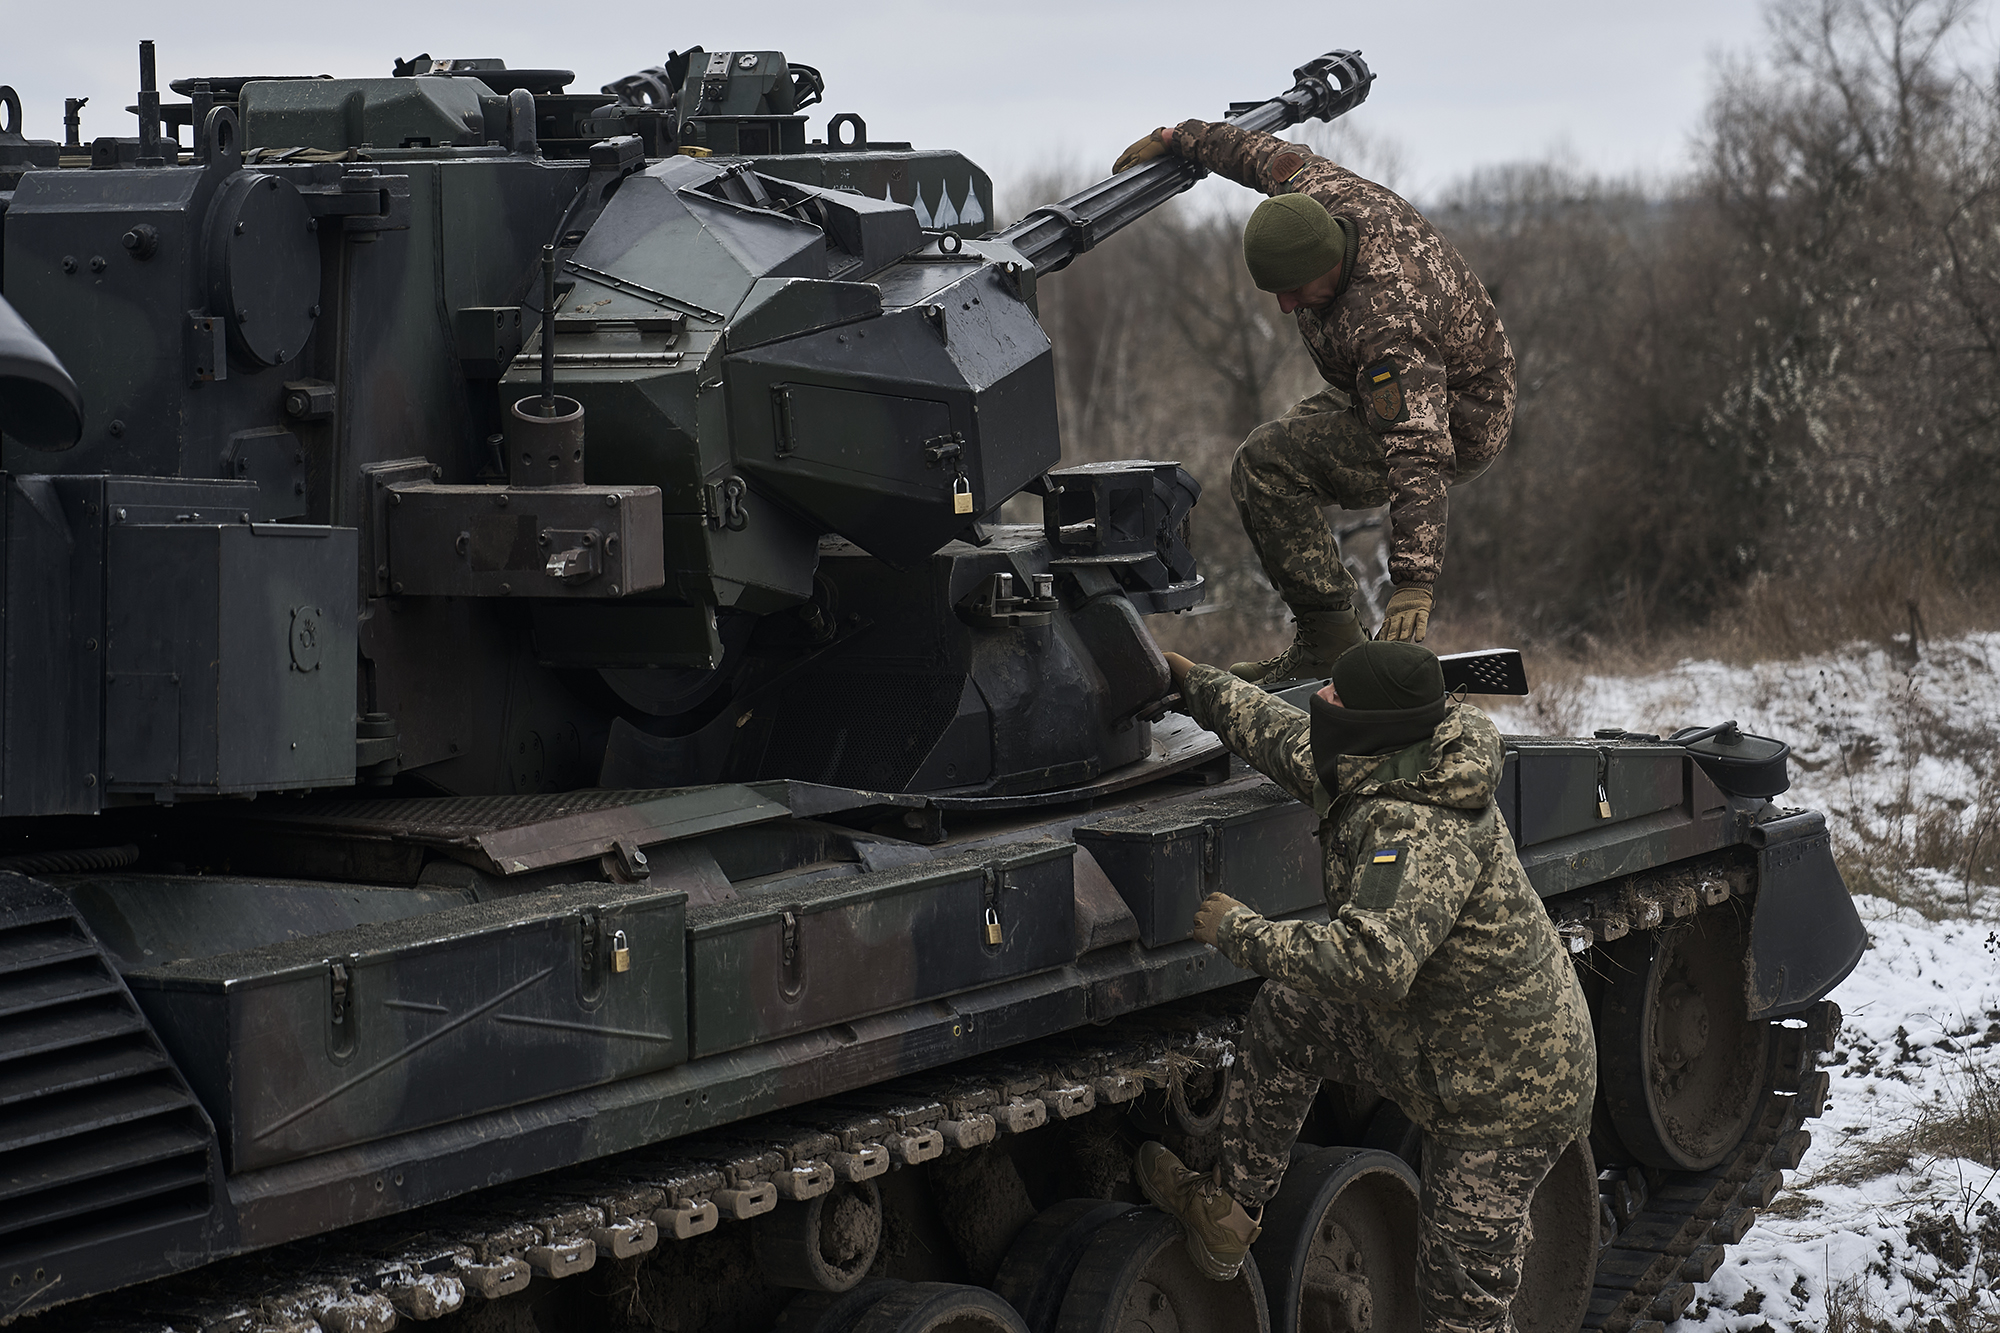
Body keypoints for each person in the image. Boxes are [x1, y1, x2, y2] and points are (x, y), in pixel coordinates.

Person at [1133, 641, 1595, 1332]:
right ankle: (1229, 1213)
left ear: (1373, 725)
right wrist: (1196, 680)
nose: (1322, 699)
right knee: (1292, 1013)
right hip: (1445, 1038)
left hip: (1506, 1091)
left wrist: (1243, 932)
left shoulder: (1418, 825)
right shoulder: (1395, 753)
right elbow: (1283, 733)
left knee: (1458, 1308)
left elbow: (1374, 963)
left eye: (1339, 698)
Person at [1113, 120, 1516, 678]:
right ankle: (1332, 635)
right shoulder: (1312, 196)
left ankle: (1329, 645)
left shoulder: (1385, 322)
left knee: (1267, 464)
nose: (1284, 308)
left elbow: (1418, 448)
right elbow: (1257, 154)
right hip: (1397, 387)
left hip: (1460, 419)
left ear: (1328, 265)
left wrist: (1413, 584)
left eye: (1295, 292)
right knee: (1269, 458)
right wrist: (1176, 136)